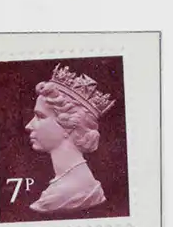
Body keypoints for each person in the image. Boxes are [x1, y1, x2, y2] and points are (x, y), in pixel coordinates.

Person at [25, 65, 116, 214]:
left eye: (40, 116)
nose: (29, 125)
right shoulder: (77, 186)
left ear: (68, 126)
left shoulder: (67, 194)